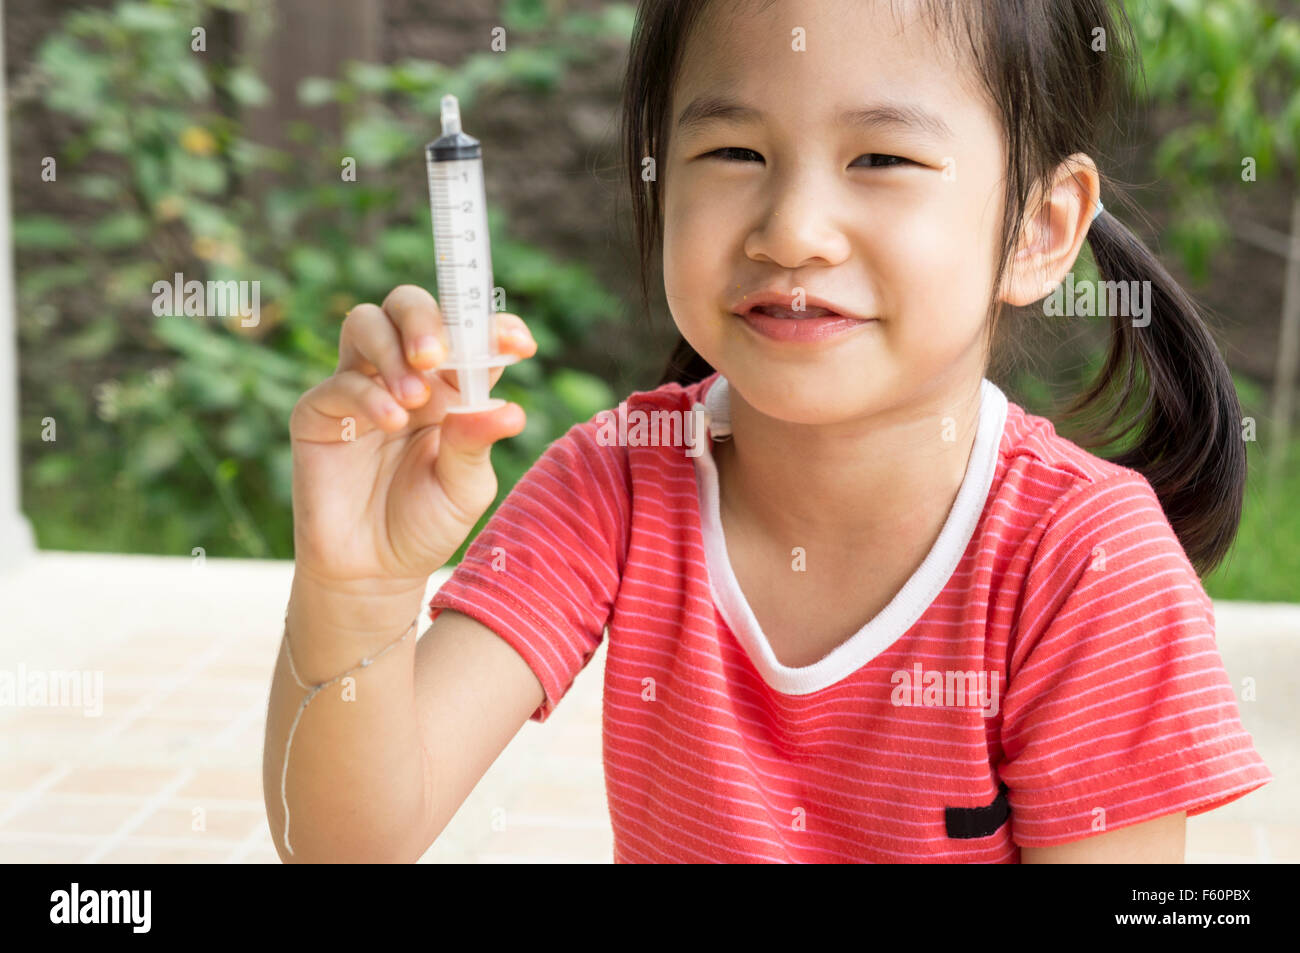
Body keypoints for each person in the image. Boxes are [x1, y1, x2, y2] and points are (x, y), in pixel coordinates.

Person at [267, 0, 1271, 863]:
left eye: (881, 156)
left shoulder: (1088, 562)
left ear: (1039, 228)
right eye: (734, 151)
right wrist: (356, 586)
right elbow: (350, 839)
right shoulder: (617, 483)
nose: (791, 228)